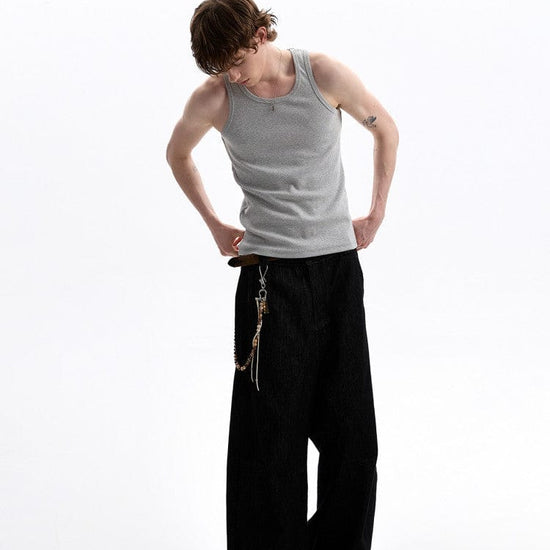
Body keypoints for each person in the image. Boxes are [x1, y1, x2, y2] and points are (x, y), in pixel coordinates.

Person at [165, 1, 398, 548]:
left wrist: (375, 213)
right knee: (268, 443)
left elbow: (385, 129)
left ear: (261, 33)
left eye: (236, 61)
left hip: (337, 273)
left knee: (353, 439)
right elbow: (177, 154)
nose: (232, 75)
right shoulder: (215, 98)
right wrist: (215, 225)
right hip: (268, 282)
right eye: (220, 67)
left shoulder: (323, 75)